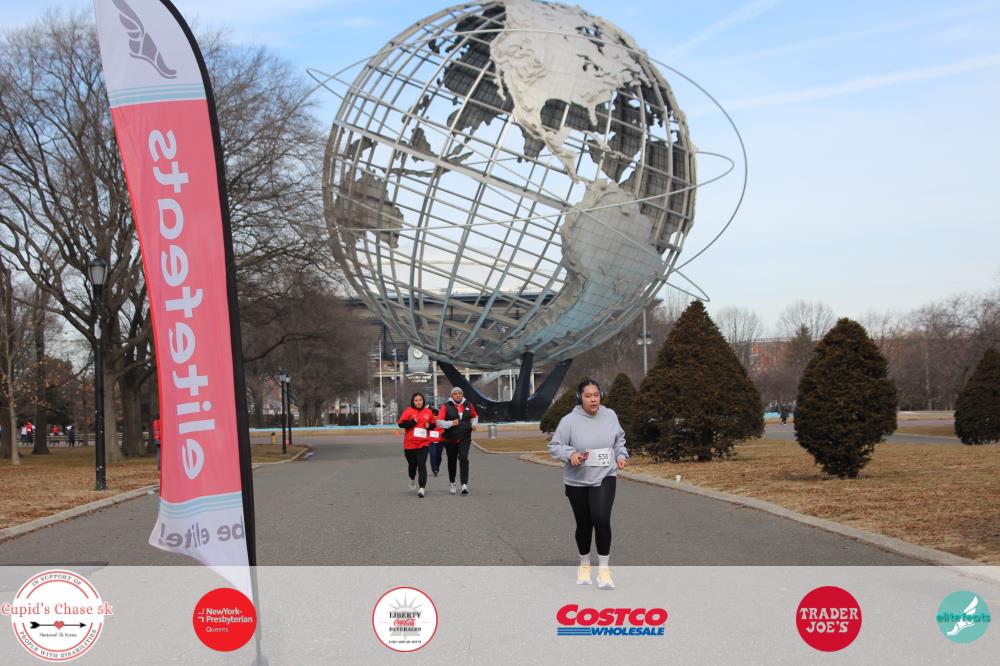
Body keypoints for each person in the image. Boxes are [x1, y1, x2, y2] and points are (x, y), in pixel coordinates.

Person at [548, 378, 629, 590]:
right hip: (577, 480)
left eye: (596, 395)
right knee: (584, 524)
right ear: (580, 398)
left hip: (604, 475)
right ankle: (584, 565)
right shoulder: (569, 421)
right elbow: (555, 446)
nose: (593, 399)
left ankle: (604, 570)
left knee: (601, 519)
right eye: (588, 396)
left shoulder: (610, 415)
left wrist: (621, 455)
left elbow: (619, 440)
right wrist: (571, 454)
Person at [436, 387, 478, 495]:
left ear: (462, 395)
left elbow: (474, 416)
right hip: (450, 438)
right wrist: (451, 423)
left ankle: (464, 485)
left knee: (464, 459)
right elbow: (439, 422)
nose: (458, 395)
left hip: (465, 438)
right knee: (452, 461)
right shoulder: (446, 406)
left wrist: (474, 424)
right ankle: (452, 482)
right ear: (452, 395)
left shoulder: (468, 405)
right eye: (455, 393)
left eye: (460, 393)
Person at [397, 393, 436, 498]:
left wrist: (429, 425)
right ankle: (412, 478)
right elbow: (401, 424)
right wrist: (412, 422)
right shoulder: (408, 411)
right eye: (416, 400)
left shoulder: (428, 412)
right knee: (412, 465)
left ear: (423, 401)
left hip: (423, 443)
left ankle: (422, 488)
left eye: (420, 400)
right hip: (410, 444)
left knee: (422, 465)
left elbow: (433, 424)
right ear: (413, 401)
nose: (418, 402)